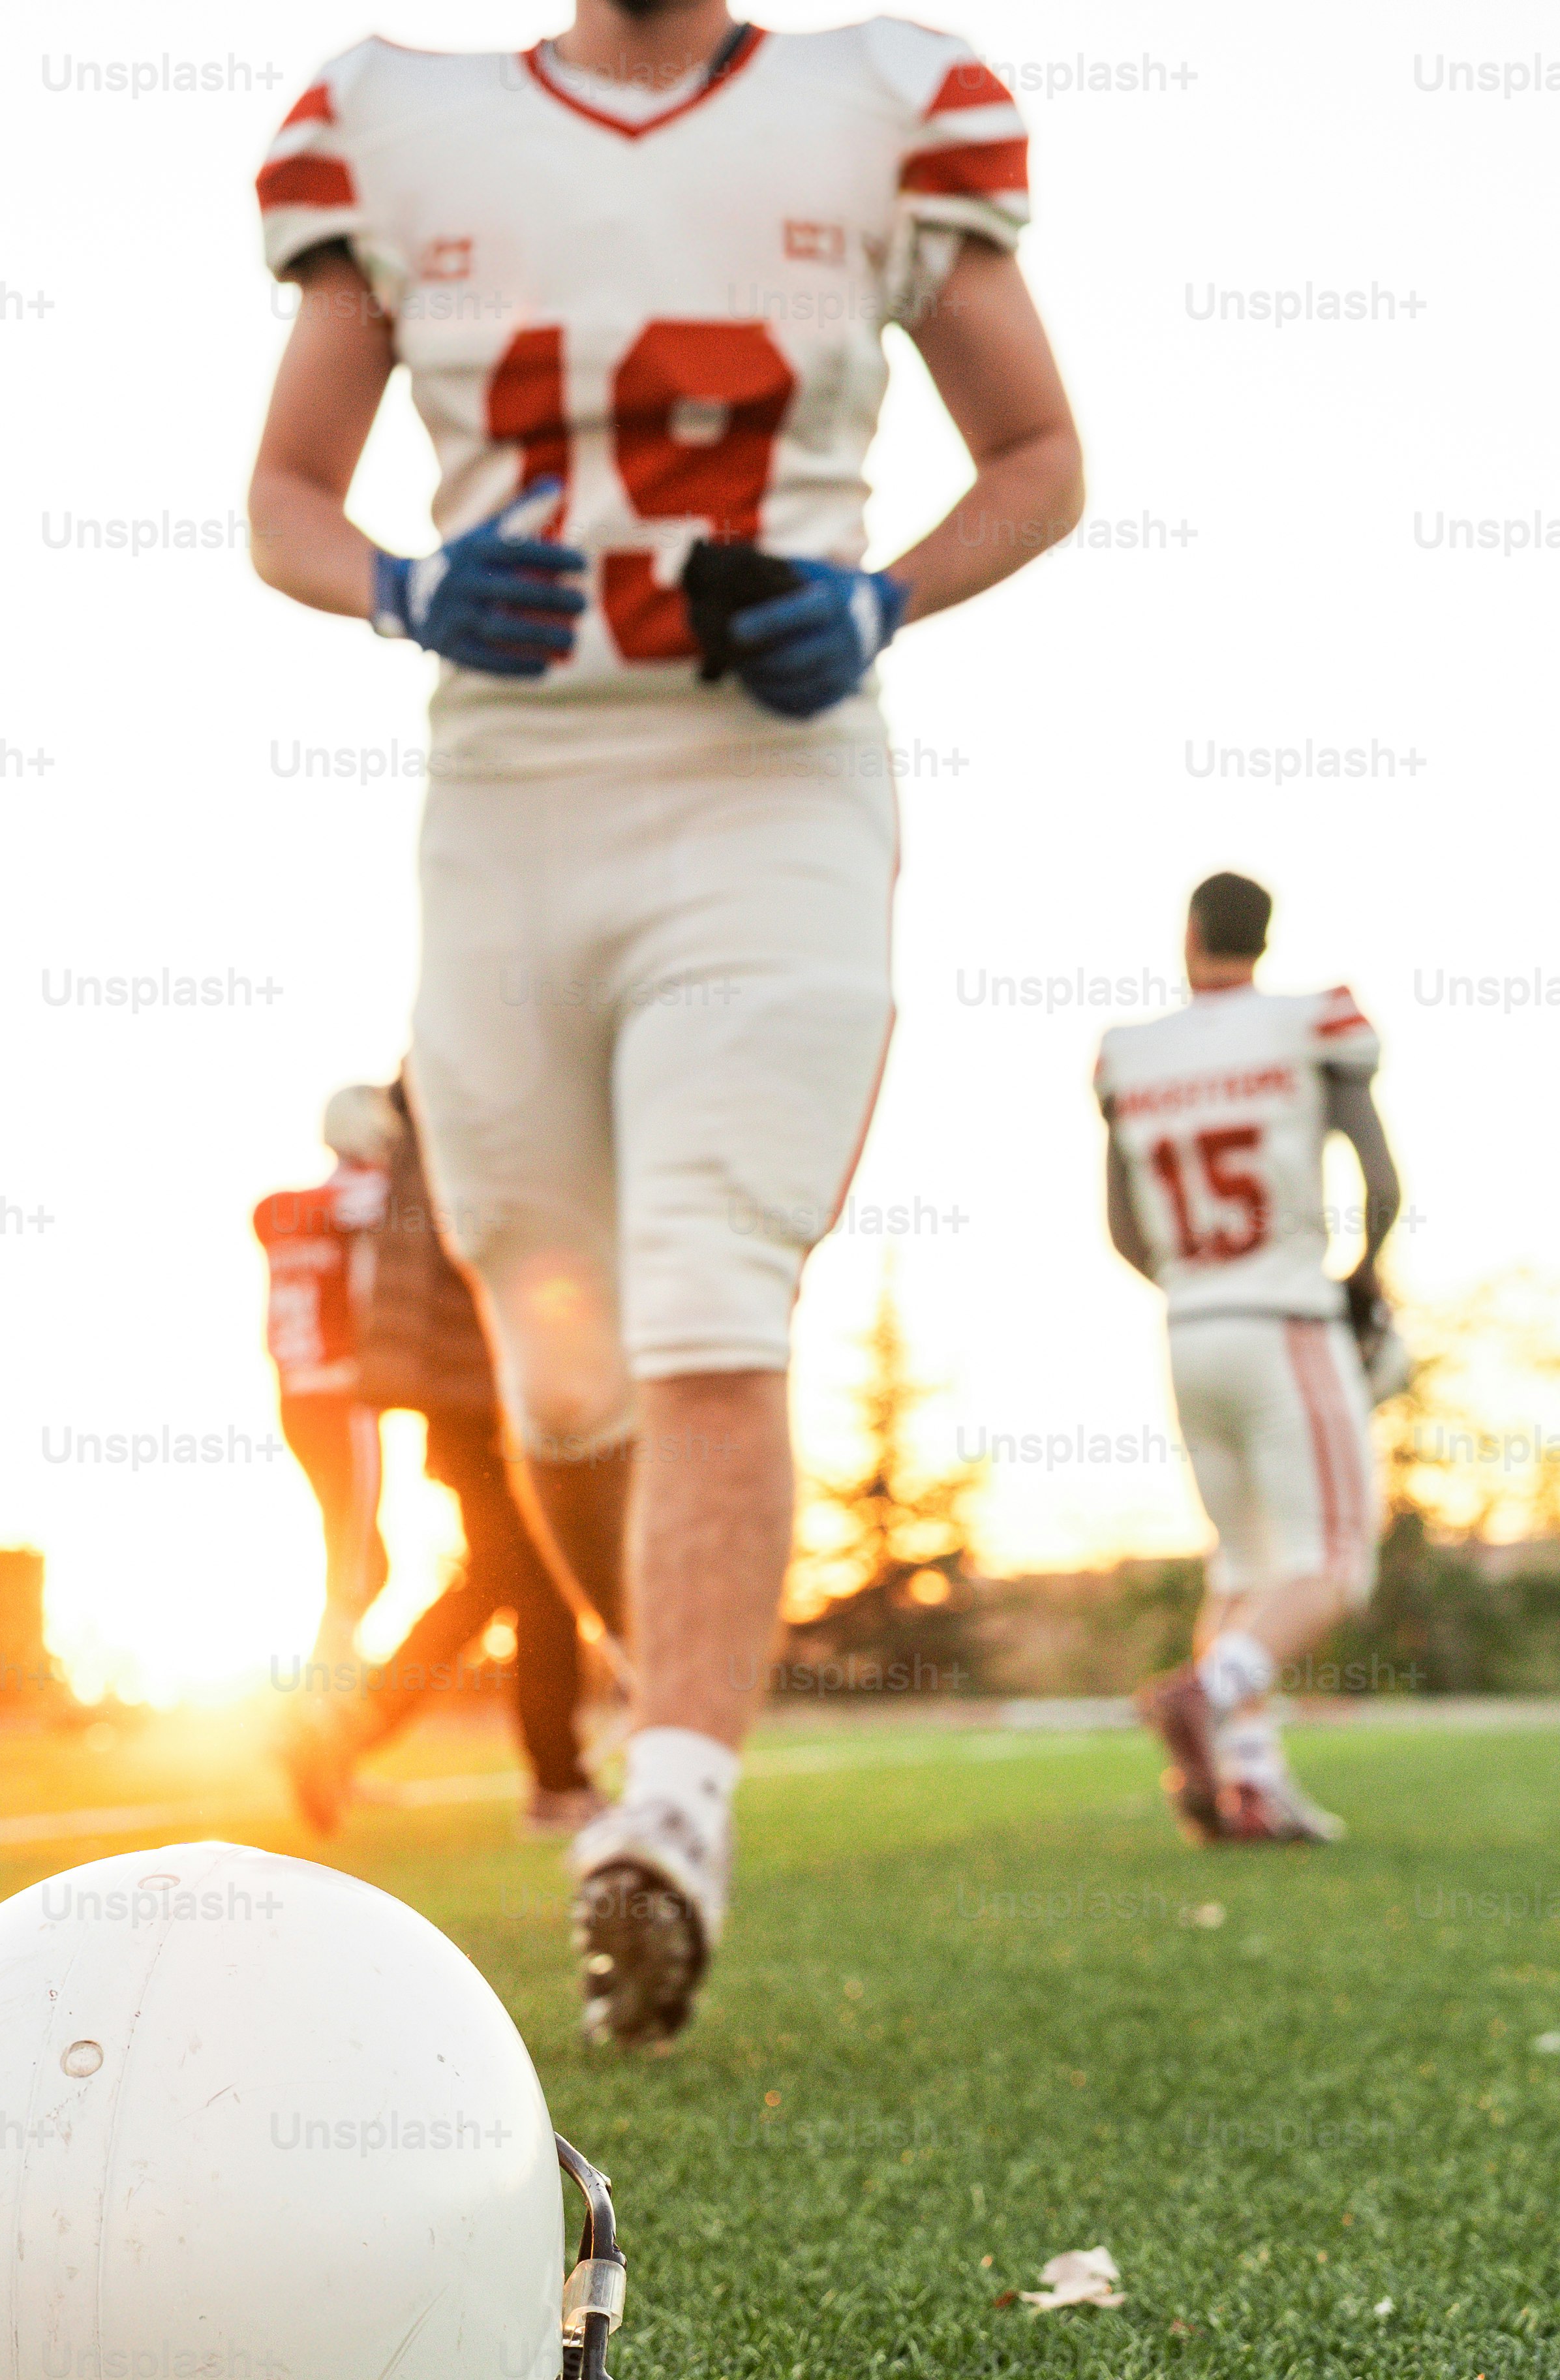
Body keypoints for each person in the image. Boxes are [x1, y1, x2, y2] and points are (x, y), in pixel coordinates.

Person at [245, 0, 1079, 2047]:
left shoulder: (884, 99)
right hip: (508, 799)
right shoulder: (392, 115)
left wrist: (880, 594)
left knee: (713, 1285)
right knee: (548, 1372)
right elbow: (280, 489)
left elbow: (1039, 457)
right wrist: (395, 588)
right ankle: (665, 1707)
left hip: (765, 785)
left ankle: (672, 1816)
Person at [1104, 874, 1402, 1844]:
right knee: (1334, 1564)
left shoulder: (1129, 1053)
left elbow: (1122, 1228)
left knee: (1243, 1567)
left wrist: (1195, 1289)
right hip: (1284, 1315)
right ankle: (1208, 1692)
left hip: (1187, 1326)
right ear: (1263, 938)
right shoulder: (1314, 1023)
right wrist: (1363, 1275)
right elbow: (1384, 1185)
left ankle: (1249, 1785)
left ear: (1188, 932)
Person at [281, 1076, 603, 1839]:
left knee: (500, 1573)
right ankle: (556, 1785)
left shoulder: (439, 1102)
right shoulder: (464, 1100)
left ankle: (349, 1731)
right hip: (488, 1387)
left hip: (460, 1393)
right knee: (541, 1577)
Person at [256, 1091, 395, 1679]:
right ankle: (316, 1714)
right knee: (356, 1565)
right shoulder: (360, 1201)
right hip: (342, 1400)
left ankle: (322, 1699)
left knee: (363, 1561)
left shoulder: (283, 1210)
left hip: (294, 1399)